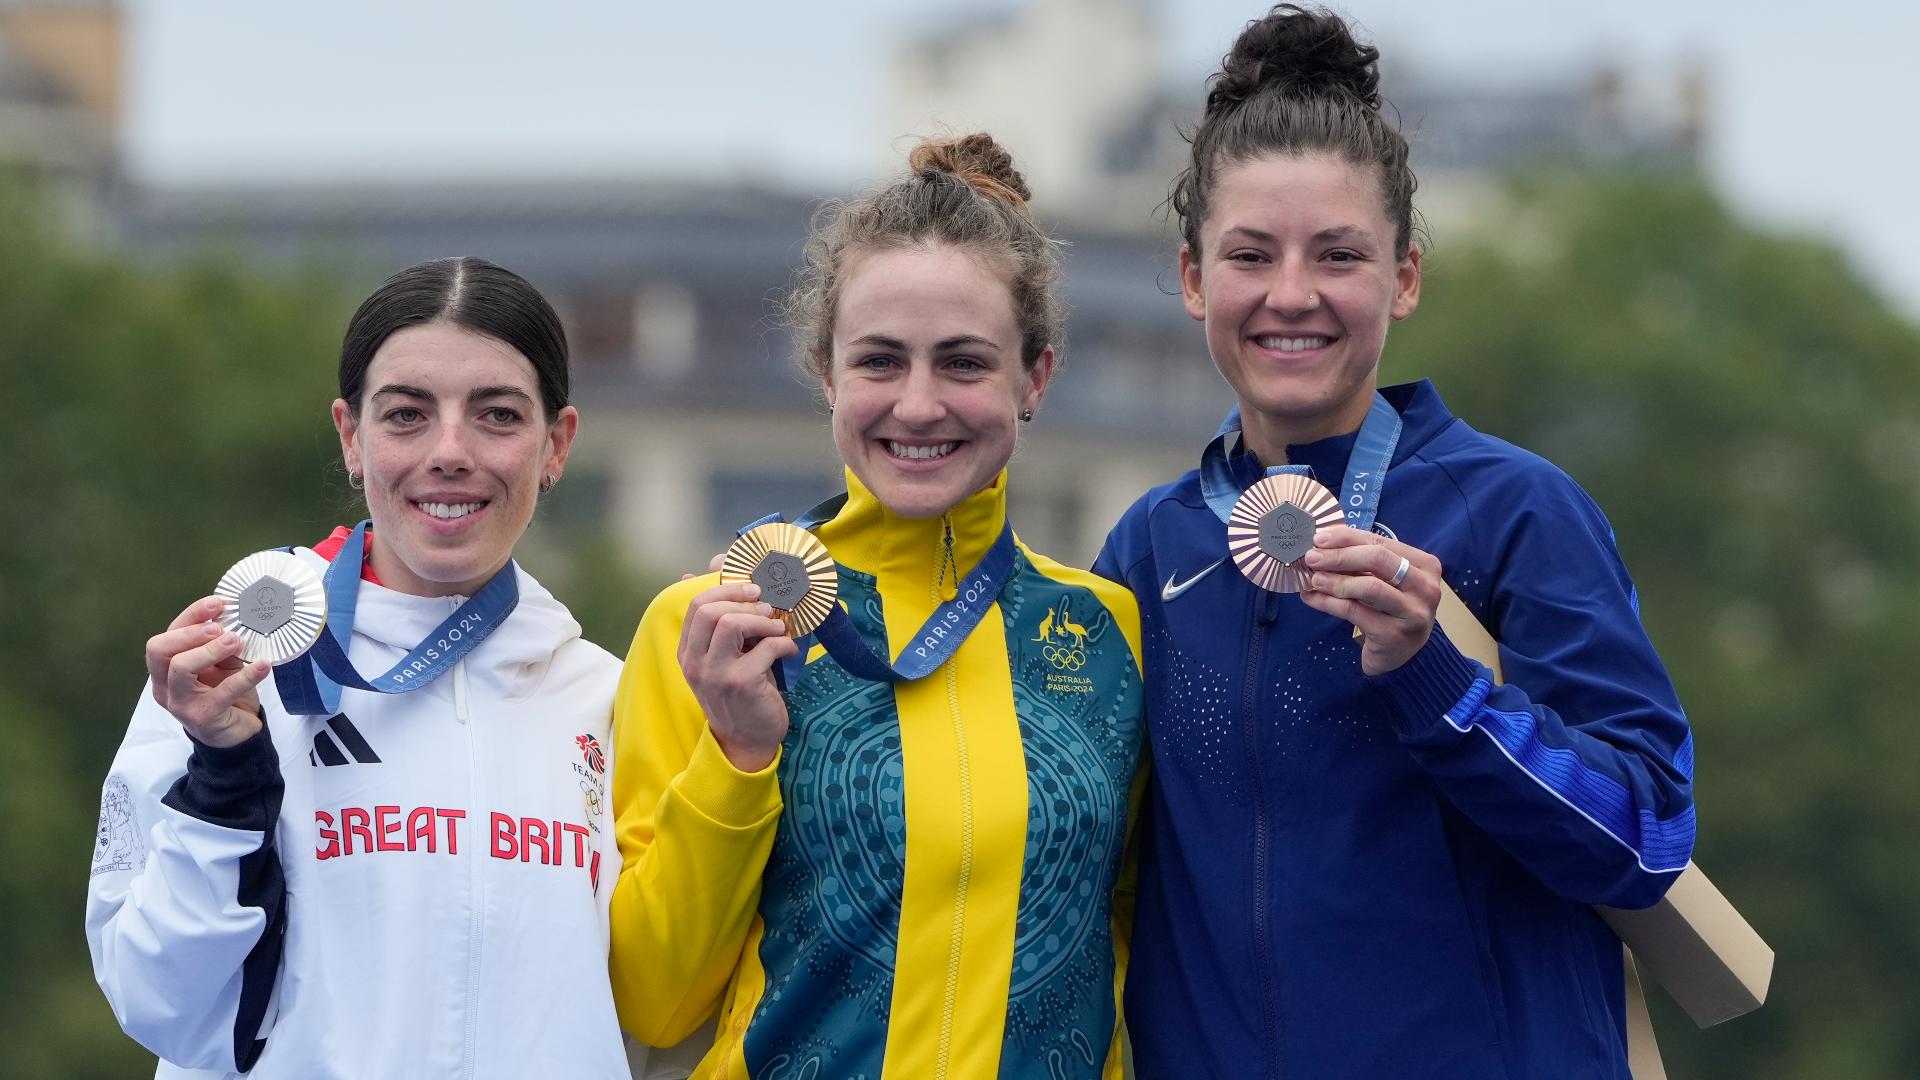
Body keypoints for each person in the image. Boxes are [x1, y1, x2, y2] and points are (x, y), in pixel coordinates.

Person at [1093, 7, 1697, 1078]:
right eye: (1250, 255)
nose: (1292, 294)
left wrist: (1437, 683)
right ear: (1192, 280)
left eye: (1338, 255)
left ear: (1404, 277)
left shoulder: (1516, 513)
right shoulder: (1150, 548)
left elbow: (1649, 837)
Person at [607, 134, 1146, 1079]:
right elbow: (653, 998)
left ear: (1037, 378)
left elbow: (1135, 965)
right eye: (880, 361)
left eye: (966, 363)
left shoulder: (1110, 631)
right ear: (826, 372)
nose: (920, 403)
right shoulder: (711, 626)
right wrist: (738, 755)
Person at [86, 257, 631, 1078]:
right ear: (351, 436)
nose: (450, 452)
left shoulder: (608, 698)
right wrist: (226, 772)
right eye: (407, 415)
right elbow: (158, 1001)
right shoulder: (226, 679)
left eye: (498, 415)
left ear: (556, 445)